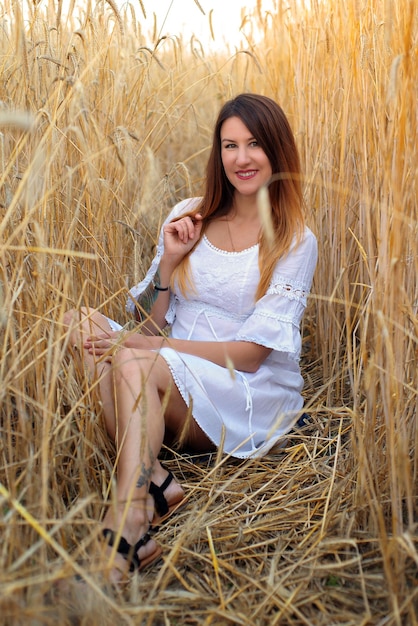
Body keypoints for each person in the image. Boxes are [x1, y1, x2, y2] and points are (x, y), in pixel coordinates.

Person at [64, 93, 318, 583]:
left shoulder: (293, 239)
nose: (241, 158)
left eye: (254, 144)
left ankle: (130, 517)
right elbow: (153, 324)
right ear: (217, 153)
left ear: (278, 151)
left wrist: (150, 349)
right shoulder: (190, 213)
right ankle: (157, 478)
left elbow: (249, 356)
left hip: (239, 385)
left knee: (132, 362)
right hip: (168, 358)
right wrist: (169, 263)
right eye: (229, 145)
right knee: (80, 323)